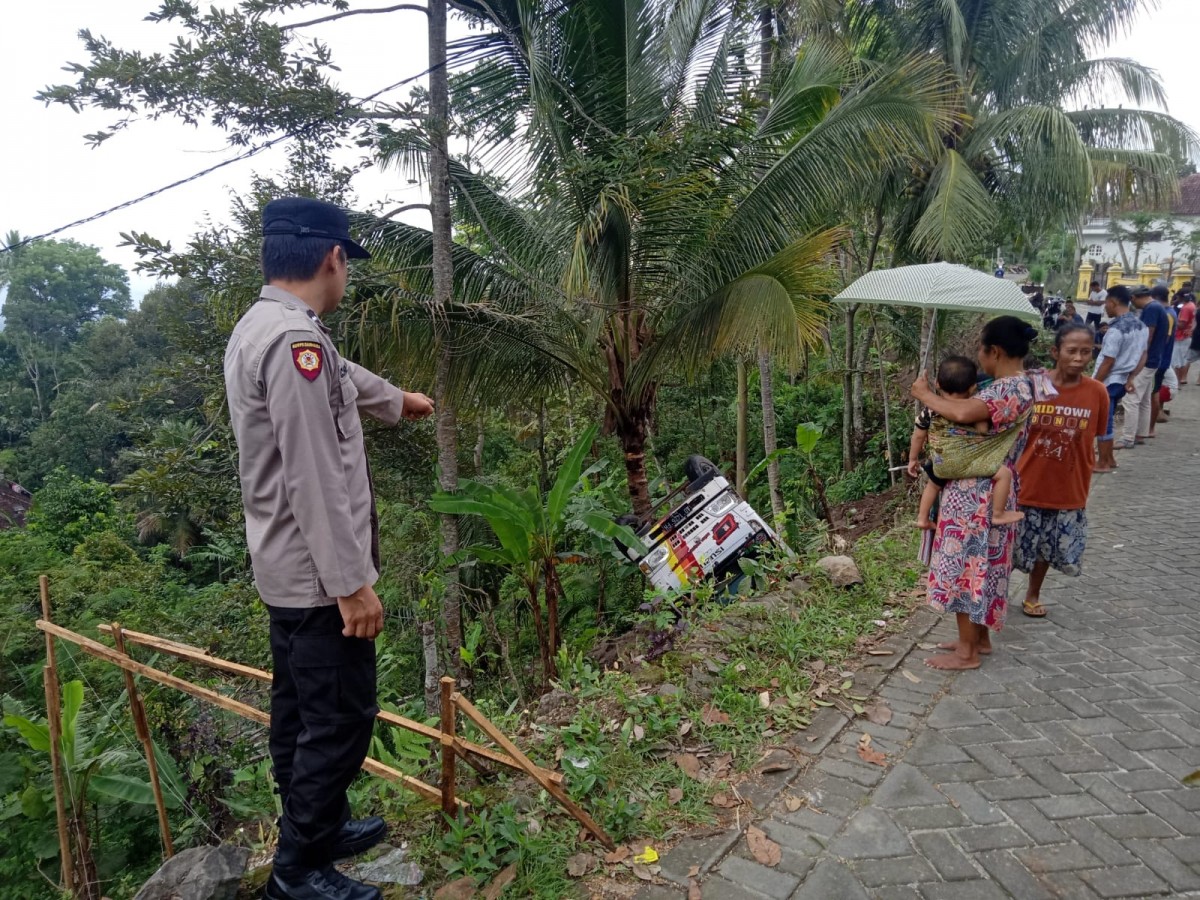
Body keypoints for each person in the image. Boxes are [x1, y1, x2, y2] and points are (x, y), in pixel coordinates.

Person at [224, 198, 435, 900]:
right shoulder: (295, 344)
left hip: (284, 569)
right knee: (340, 719)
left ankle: (320, 825)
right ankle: (297, 871)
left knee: (298, 712)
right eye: (348, 264)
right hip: (320, 580)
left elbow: (340, 381)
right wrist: (351, 585)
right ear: (333, 258)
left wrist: (396, 398)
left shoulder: (267, 326)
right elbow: (313, 472)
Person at [910, 316, 1040, 671]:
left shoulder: (1010, 389)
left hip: (976, 493)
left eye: (980, 350)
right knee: (983, 566)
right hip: (984, 488)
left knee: (966, 568)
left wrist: (925, 394)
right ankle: (977, 640)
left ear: (993, 351)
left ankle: (966, 652)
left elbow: (962, 410)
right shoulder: (1012, 385)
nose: (978, 358)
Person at [1013, 324, 1109, 618]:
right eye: (1072, 351)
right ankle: (995, 594)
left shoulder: (1097, 392)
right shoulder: (1032, 385)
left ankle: (1032, 594)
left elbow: (1095, 435)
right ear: (1056, 352)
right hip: (1025, 482)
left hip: (1068, 485)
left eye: (1086, 352)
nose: (1079, 358)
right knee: (1009, 544)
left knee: (1046, 547)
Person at [909, 355, 1023, 531]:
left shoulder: (931, 410)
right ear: (972, 387)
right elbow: (983, 429)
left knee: (933, 484)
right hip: (969, 462)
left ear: (937, 384)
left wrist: (912, 459)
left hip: (942, 465)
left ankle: (922, 518)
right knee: (1004, 474)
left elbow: (918, 435)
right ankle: (999, 513)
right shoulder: (972, 410)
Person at [1093, 285, 1146, 472]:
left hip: (1109, 381)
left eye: (1106, 302)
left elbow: (1108, 361)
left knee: (1104, 422)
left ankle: (1103, 462)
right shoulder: (1141, 326)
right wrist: (1131, 377)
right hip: (1122, 381)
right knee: (1108, 419)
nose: (1105, 306)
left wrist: (1094, 385)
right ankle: (1110, 459)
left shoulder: (1116, 330)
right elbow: (1143, 355)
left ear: (1113, 302)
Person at [1116, 285, 1161, 449]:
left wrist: (1136, 361)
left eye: (1132, 300)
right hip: (1154, 359)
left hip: (1146, 361)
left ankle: (1128, 438)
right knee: (1144, 400)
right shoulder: (1157, 307)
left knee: (1131, 399)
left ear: (1135, 297)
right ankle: (1141, 433)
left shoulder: (1151, 309)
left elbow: (1147, 337)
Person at [1144, 284, 1175, 438]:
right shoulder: (1168, 312)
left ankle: (1150, 428)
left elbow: (1165, 338)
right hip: (1161, 359)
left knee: (1153, 394)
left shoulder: (1166, 314)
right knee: (1152, 393)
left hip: (1159, 360)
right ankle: (1148, 427)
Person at [1173, 285, 1196, 384]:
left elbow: (1182, 325)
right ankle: (1180, 379)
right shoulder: (1192, 305)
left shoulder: (1186, 308)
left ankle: (1177, 381)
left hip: (1181, 336)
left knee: (1178, 360)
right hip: (1187, 335)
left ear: (1180, 297)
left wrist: (1172, 321)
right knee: (1183, 359)